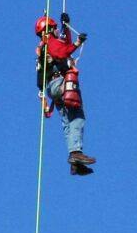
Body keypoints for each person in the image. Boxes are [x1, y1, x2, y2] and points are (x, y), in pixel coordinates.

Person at [35, 13, 95, 175]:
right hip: (59, 83)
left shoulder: (45, 46)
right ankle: (76, 152)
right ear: (49, 29)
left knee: (68, 119)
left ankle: (75, 161)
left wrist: (66, 27)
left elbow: (64, 47)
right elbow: (62, 52)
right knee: (76, 114)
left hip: (52, 88)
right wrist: (76, 42)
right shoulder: (50, 42)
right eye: (55, 29)